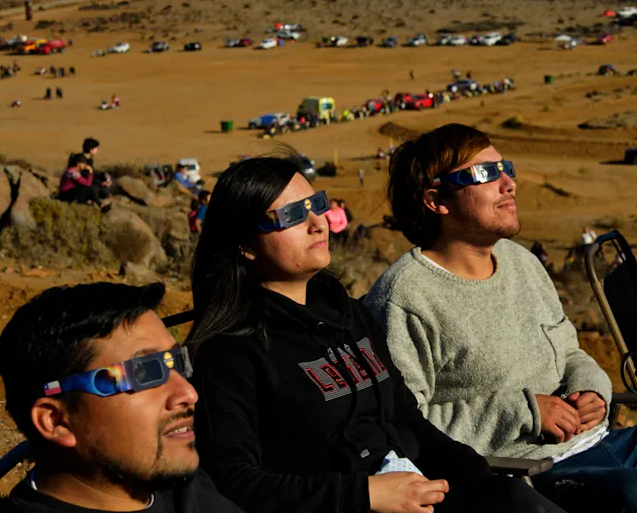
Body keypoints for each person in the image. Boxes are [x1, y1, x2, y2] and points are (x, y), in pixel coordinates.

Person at [365, 123, 637, 513]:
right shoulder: (405, 297)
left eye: (506, 168)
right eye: (485, 174)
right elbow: (405, 425)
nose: (509, 183)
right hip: (524, 472)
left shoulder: (519, 261)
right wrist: (523, 412)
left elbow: (570, 352)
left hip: (599, 442)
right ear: (435, 200)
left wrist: (590, 388)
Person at [187, 156, 565, 513]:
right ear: (245, 245)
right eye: (290, 216)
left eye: (316, 205)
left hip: (419, 491)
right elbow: (233, 482)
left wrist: (476, 476)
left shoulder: (349, 315)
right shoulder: (230, 350)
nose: (318, 223)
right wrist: (364, 494)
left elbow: (404, 416)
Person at [0, 282, 243, 513]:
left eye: (175, 362)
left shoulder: (184, 489)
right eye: (143, 373)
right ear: (56, 421)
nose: (189, 393)